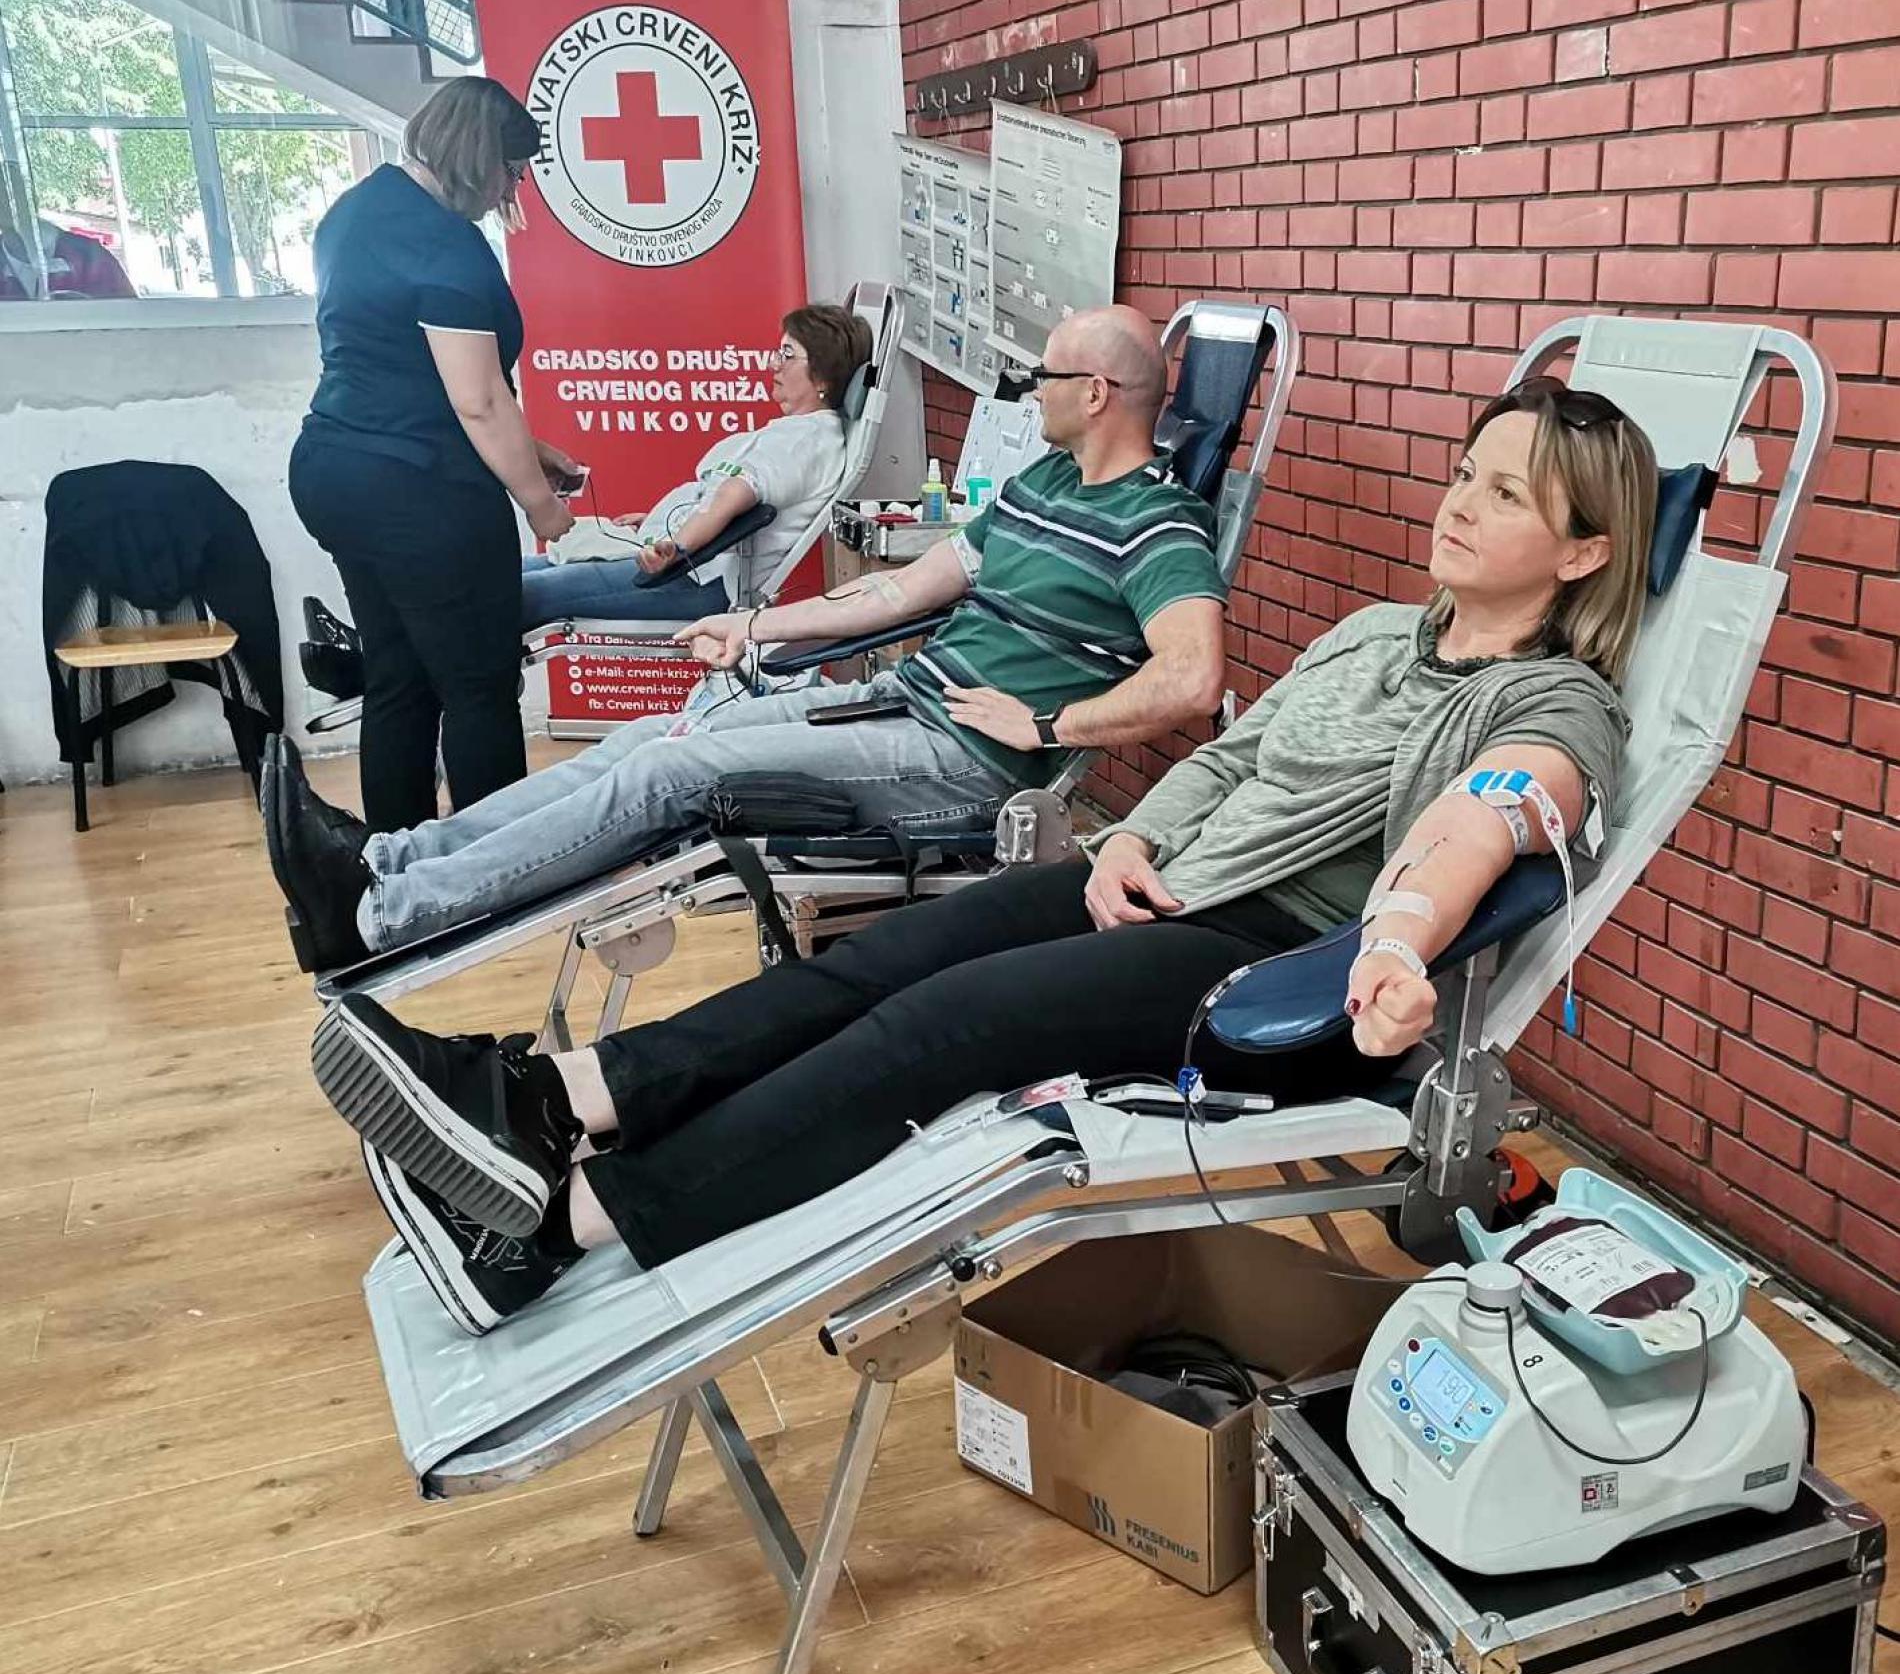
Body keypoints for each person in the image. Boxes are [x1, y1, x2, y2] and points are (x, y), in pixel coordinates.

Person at [307, 376, 1661, 1332]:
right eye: (1466, 472)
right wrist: (1132, 838)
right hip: (1158, 888)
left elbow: (1474, 821)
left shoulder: (1557, 704)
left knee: (945, 1027)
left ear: (1583, 551)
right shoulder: (1371, 632)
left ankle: (555, 1229)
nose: (1459, 503)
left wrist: (1398, 942)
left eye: (1505, 493)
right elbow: (1229, 758)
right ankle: (554, 1099)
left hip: (1276, 970)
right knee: (875, 965)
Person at [262, 304, 1230, 973]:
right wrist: (754, 624)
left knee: (670, 775)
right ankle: (393, 860)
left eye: (1043, 376)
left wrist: (1050, 726)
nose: (1028, 391)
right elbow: (898, 591)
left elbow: (1193, 678)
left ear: (1096, 392)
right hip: (901, 704)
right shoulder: (1040, 488)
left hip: (968, 764)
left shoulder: (1157, 525)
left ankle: (376, 917)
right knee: (659, 736)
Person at [288, 77, 579, 835]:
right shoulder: (444, 244)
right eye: (512, 170)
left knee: (398, 678)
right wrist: (540, 504)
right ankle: (493, 873)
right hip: (417, 493)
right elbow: (477, 400)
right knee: (478, 686)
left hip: (335, 469)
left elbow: (401, 373)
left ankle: (398, 864)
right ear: (480, 157)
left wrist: (530, 452)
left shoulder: (354, 212)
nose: (512, 190)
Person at [519, 302, 874, 629]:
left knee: (521, 594)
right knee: (509, 576)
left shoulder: (806, 442)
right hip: (686, 563)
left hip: (693, 577)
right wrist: (660, 522)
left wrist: (675, 547)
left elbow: (733, 496)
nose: (774, 363)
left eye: (788, 354)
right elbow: (717, 499)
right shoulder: (797, 433)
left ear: (823, 377)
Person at [0, 161, 135, 301]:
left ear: (32, 198)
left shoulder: (89, 257)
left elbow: (129, 312)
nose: (5, 203)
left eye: (11, 193)